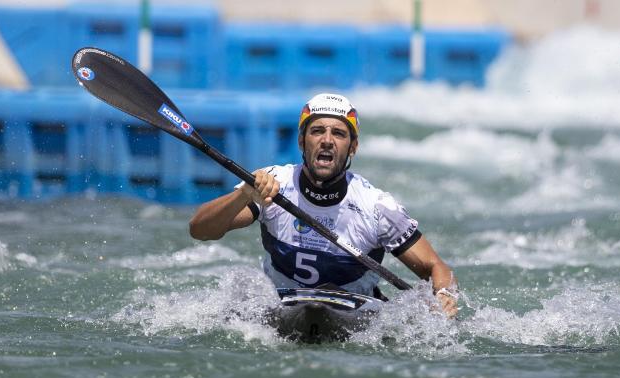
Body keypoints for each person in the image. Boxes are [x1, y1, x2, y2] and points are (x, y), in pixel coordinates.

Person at [189, 93, 458, 318]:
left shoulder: (377, 208)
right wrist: (244, 195)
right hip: (279, 306)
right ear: (301, 142)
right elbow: (200, 230)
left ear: (353, 147)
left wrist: (443, 296)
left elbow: (435, 268)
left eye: (339, 134)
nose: (327, 140)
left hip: (352, 314)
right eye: (317, 131)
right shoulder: (272, 184)